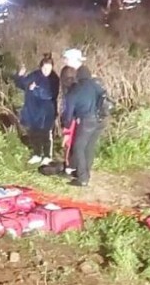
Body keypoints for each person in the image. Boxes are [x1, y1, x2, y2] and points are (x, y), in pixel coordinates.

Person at [60, 48, 106, 187]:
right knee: (89, 147)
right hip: (100, 118)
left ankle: (82, 178)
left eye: (66, 59)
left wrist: (66, 127)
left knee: (79, 147)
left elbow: (68, 114)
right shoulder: (93, 82)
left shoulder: (75, 89)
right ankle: (85, 173)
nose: (65, 62)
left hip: (87, 119)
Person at [15, 54, 60, 165]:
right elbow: (23, 85)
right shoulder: (35, 75)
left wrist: (35, 89)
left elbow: (50, 94)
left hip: (46, 112)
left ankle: (47, 156)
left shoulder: (54, 79)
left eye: (49, 68)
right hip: (32, 109)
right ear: (41, 67)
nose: (47, 71)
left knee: (45, 134)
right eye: (45, 68)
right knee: (33, 133)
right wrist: (19, 77)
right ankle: (37, 154)